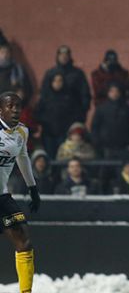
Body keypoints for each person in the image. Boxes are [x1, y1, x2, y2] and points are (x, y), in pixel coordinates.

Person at [0, 92, 41, 293]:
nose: (15, 109)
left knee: (24, 241)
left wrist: (33, 188)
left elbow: (23, 158)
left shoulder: (22, 132)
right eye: (10, 106)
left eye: (18, 106)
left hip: (2, 197)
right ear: (0, 109)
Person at [41, 45, 91, 122]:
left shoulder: (78, 74)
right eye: (61, 54)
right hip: (53, 117)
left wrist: (82, 112)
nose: (64, 57)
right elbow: (44, 94)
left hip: (74, 115)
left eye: (66, 55)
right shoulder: (51, 73)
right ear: (57, 56)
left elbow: (85, 94)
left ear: (70, 56)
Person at [34, 72, 76, 158]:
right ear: (51, 82)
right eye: (55, 81)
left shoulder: (68, 97)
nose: (58, 83)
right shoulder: (45, 97)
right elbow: (37, 114)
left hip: (64, 133)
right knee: (49, 157)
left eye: (60, 80)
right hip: (48, 133)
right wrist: (46, 121)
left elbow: (73, 114)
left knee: (63, 157)